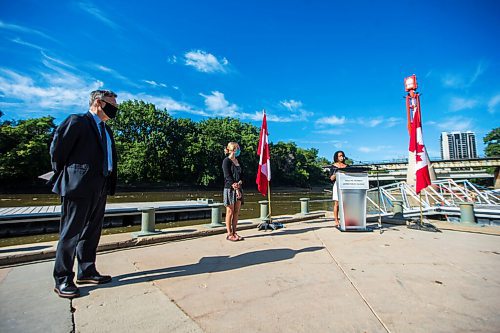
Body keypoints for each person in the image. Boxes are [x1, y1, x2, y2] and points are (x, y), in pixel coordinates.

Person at [49, 90, 119, 298]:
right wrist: (70, 174)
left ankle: (87, 269)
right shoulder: (78, 121)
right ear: (99, 102)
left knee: (92, 232)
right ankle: (62, 278)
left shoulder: (106, 130)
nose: (115, 110)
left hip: (100, 185)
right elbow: (57, 150)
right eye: (112, 105)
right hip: (78, 185)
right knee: (71, 233)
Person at [222, 142, 244, 242]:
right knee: (230, 211)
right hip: (230, 189)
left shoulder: (238, 161)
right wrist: (235, 189)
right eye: (238, 148)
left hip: (239, 187)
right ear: (234, 149)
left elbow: (241, 175)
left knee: (236, 211)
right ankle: (229, 234)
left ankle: (235, 232)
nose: (239, 150)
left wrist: (240, 184)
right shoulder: (226, 161)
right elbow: (228, 176)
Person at [329, 150, 347, 227]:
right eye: (340, 156)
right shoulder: (333, 166)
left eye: (342, 155)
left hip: (346, 185)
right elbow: (331, 178)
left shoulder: (347, 166)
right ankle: (336, 220)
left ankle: (346, 219)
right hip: (337, 185)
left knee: (346, 203)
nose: (341, 157)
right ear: (336, 157)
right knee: (337, 204)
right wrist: (337, 172)